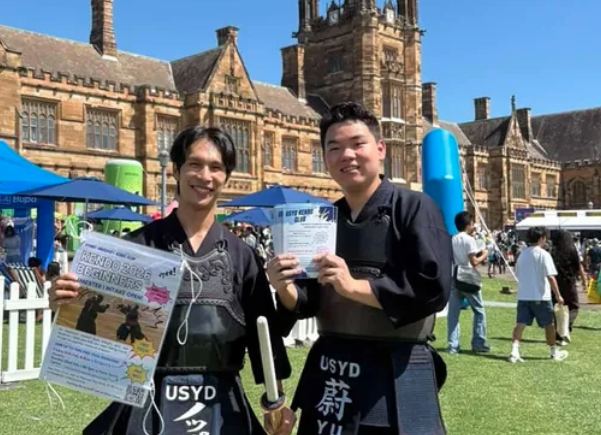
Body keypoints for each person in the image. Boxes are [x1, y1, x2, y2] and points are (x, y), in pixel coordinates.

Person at [49, 126, 296, 435]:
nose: (205, 176)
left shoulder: (243, 256)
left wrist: (275, 403)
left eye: (216, 167)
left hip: (221, 402)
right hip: (148, 402)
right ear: (176, 170)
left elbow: (265, 339)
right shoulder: (137, 246)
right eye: (195, 164)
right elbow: (98, 321)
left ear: (226, 176)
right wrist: (64, 303)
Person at [267, 102, 452, 435]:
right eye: (334, 148)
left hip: (394, 370)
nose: (346, 155)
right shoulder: (321, 220)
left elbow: (432, 288)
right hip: (331, 369)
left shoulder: (415, 207)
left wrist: (353, 286)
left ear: (380, 149)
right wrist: (284, 287)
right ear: (325, 158)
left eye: (357, 144)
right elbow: (306, 301)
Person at [509, 227, 569, 363]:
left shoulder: (522, 254)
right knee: (549, 325)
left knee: (520, 324)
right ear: (541, 238)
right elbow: (551, 277)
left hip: (524, 296)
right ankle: (553, 352)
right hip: (541, 296)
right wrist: (558, 295)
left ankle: (514, 351)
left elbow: (518, 273)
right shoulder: (544, 254)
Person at [447, 211, 490, 355]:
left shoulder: (452, 239)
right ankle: (478, 343)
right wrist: (485, 254)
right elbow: (474, 261)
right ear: (468, 224)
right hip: (468, 277)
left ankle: (453, 345)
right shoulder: (469, 240)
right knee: (479, 311)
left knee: (453, 314)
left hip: (455, 276)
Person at [550, 230, 587, 344]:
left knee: (557, 308)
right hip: (569, 282)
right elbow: (579, 267)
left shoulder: (553, 251)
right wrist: (584, 281)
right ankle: (566, 328)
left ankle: (559, 335)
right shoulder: (572, 250)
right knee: (573, 307)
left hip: (555, 282)